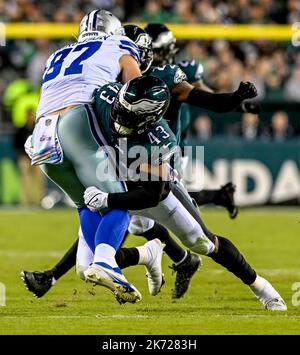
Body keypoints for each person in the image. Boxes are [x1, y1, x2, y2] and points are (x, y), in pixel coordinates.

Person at [22, 9, 143, 305]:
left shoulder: (57, 55)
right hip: (76, 121)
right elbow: (137, 86)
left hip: (42, 134)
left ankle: (99, 263)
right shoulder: (119, 45)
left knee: (85, 202)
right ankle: (104, 262)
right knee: (117, 201)